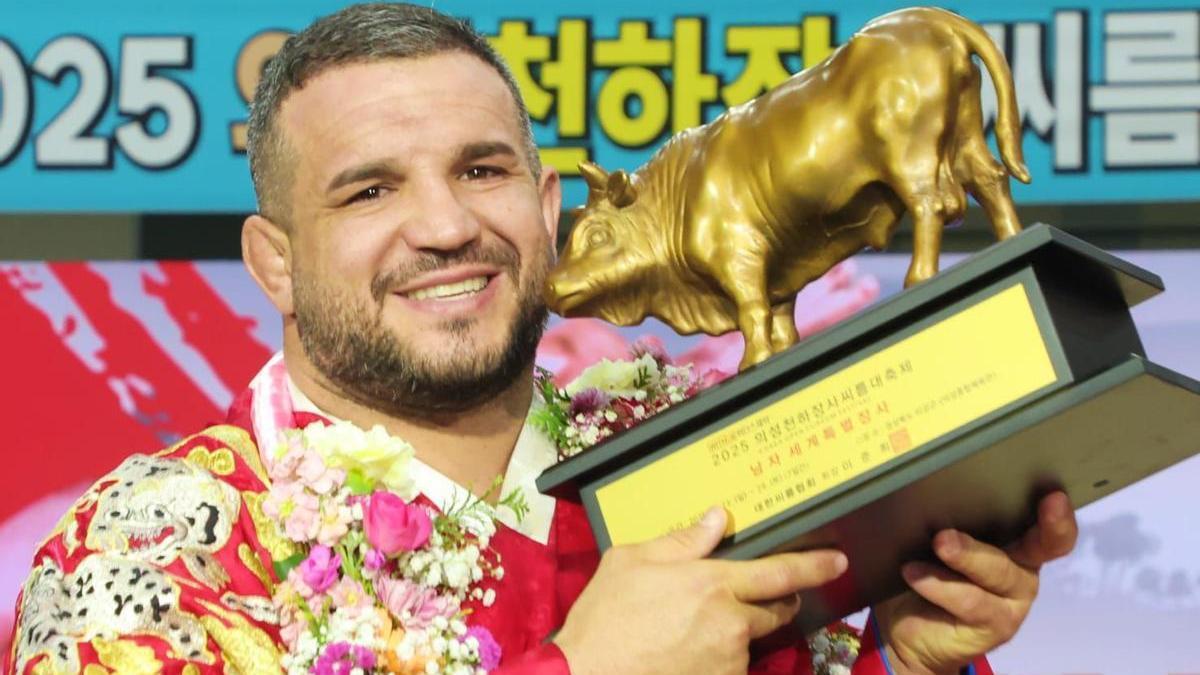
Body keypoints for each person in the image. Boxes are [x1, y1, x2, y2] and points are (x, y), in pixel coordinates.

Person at [6, 4, 1078, 674]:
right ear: (275, 259)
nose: (446, 226)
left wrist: (909, 657)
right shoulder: (151, 556)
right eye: (369, 189)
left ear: (549, 201)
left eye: (483, 170)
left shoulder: (705, 461)